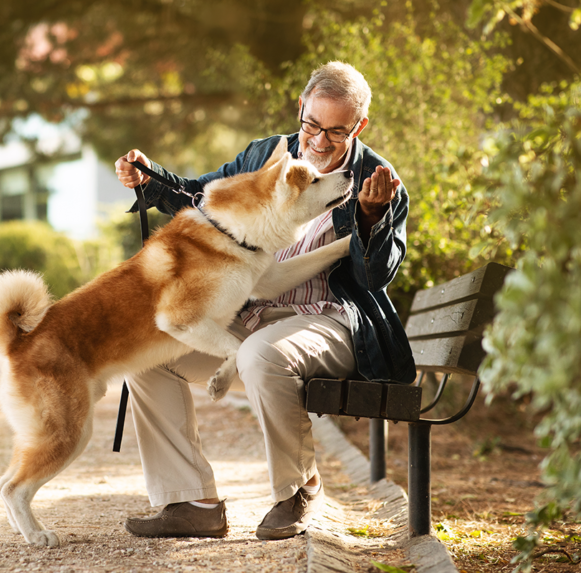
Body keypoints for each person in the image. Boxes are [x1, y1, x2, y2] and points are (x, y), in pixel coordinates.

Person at [113, 61, 416, 541]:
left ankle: (300, 489)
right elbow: (201, 196)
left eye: (335, 132)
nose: (318, 142)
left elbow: (375, 277)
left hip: (328, 320)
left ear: (358, 126)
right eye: (312, 125)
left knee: (260, 353)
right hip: (252, 312)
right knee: (148, 349)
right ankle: (192, 501)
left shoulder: (378, 181)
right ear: (300, 108)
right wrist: (149, 178)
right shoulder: (266, 155)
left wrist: (370, 218)